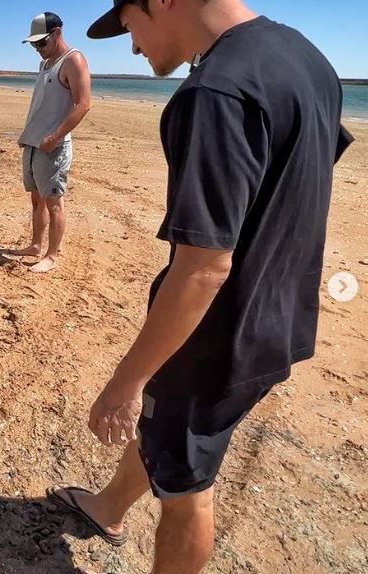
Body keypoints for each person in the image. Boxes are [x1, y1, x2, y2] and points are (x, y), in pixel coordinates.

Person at [45, 1, 355, 573]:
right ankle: (109, 508)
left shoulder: (214, 92)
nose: (134, 47)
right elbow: (302, 173)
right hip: (281, 316)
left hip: (216, 335)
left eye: (131, 27)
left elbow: (203, 267)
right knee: (169, 428)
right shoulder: (308, 59)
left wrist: (125, 381)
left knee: (189, 487)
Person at [8, 12, 91, 273]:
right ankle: (35, 245)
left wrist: (55, 137)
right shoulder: (45, 64)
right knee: (37, 200)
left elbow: (83, 104)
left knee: (54, 202)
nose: (37, 49)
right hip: (34, 144)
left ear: (57, 33)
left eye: (41, 43)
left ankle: (51, 256)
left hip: (53, 146)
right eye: (34, 45)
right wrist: (30, 136)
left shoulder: (73, 60)